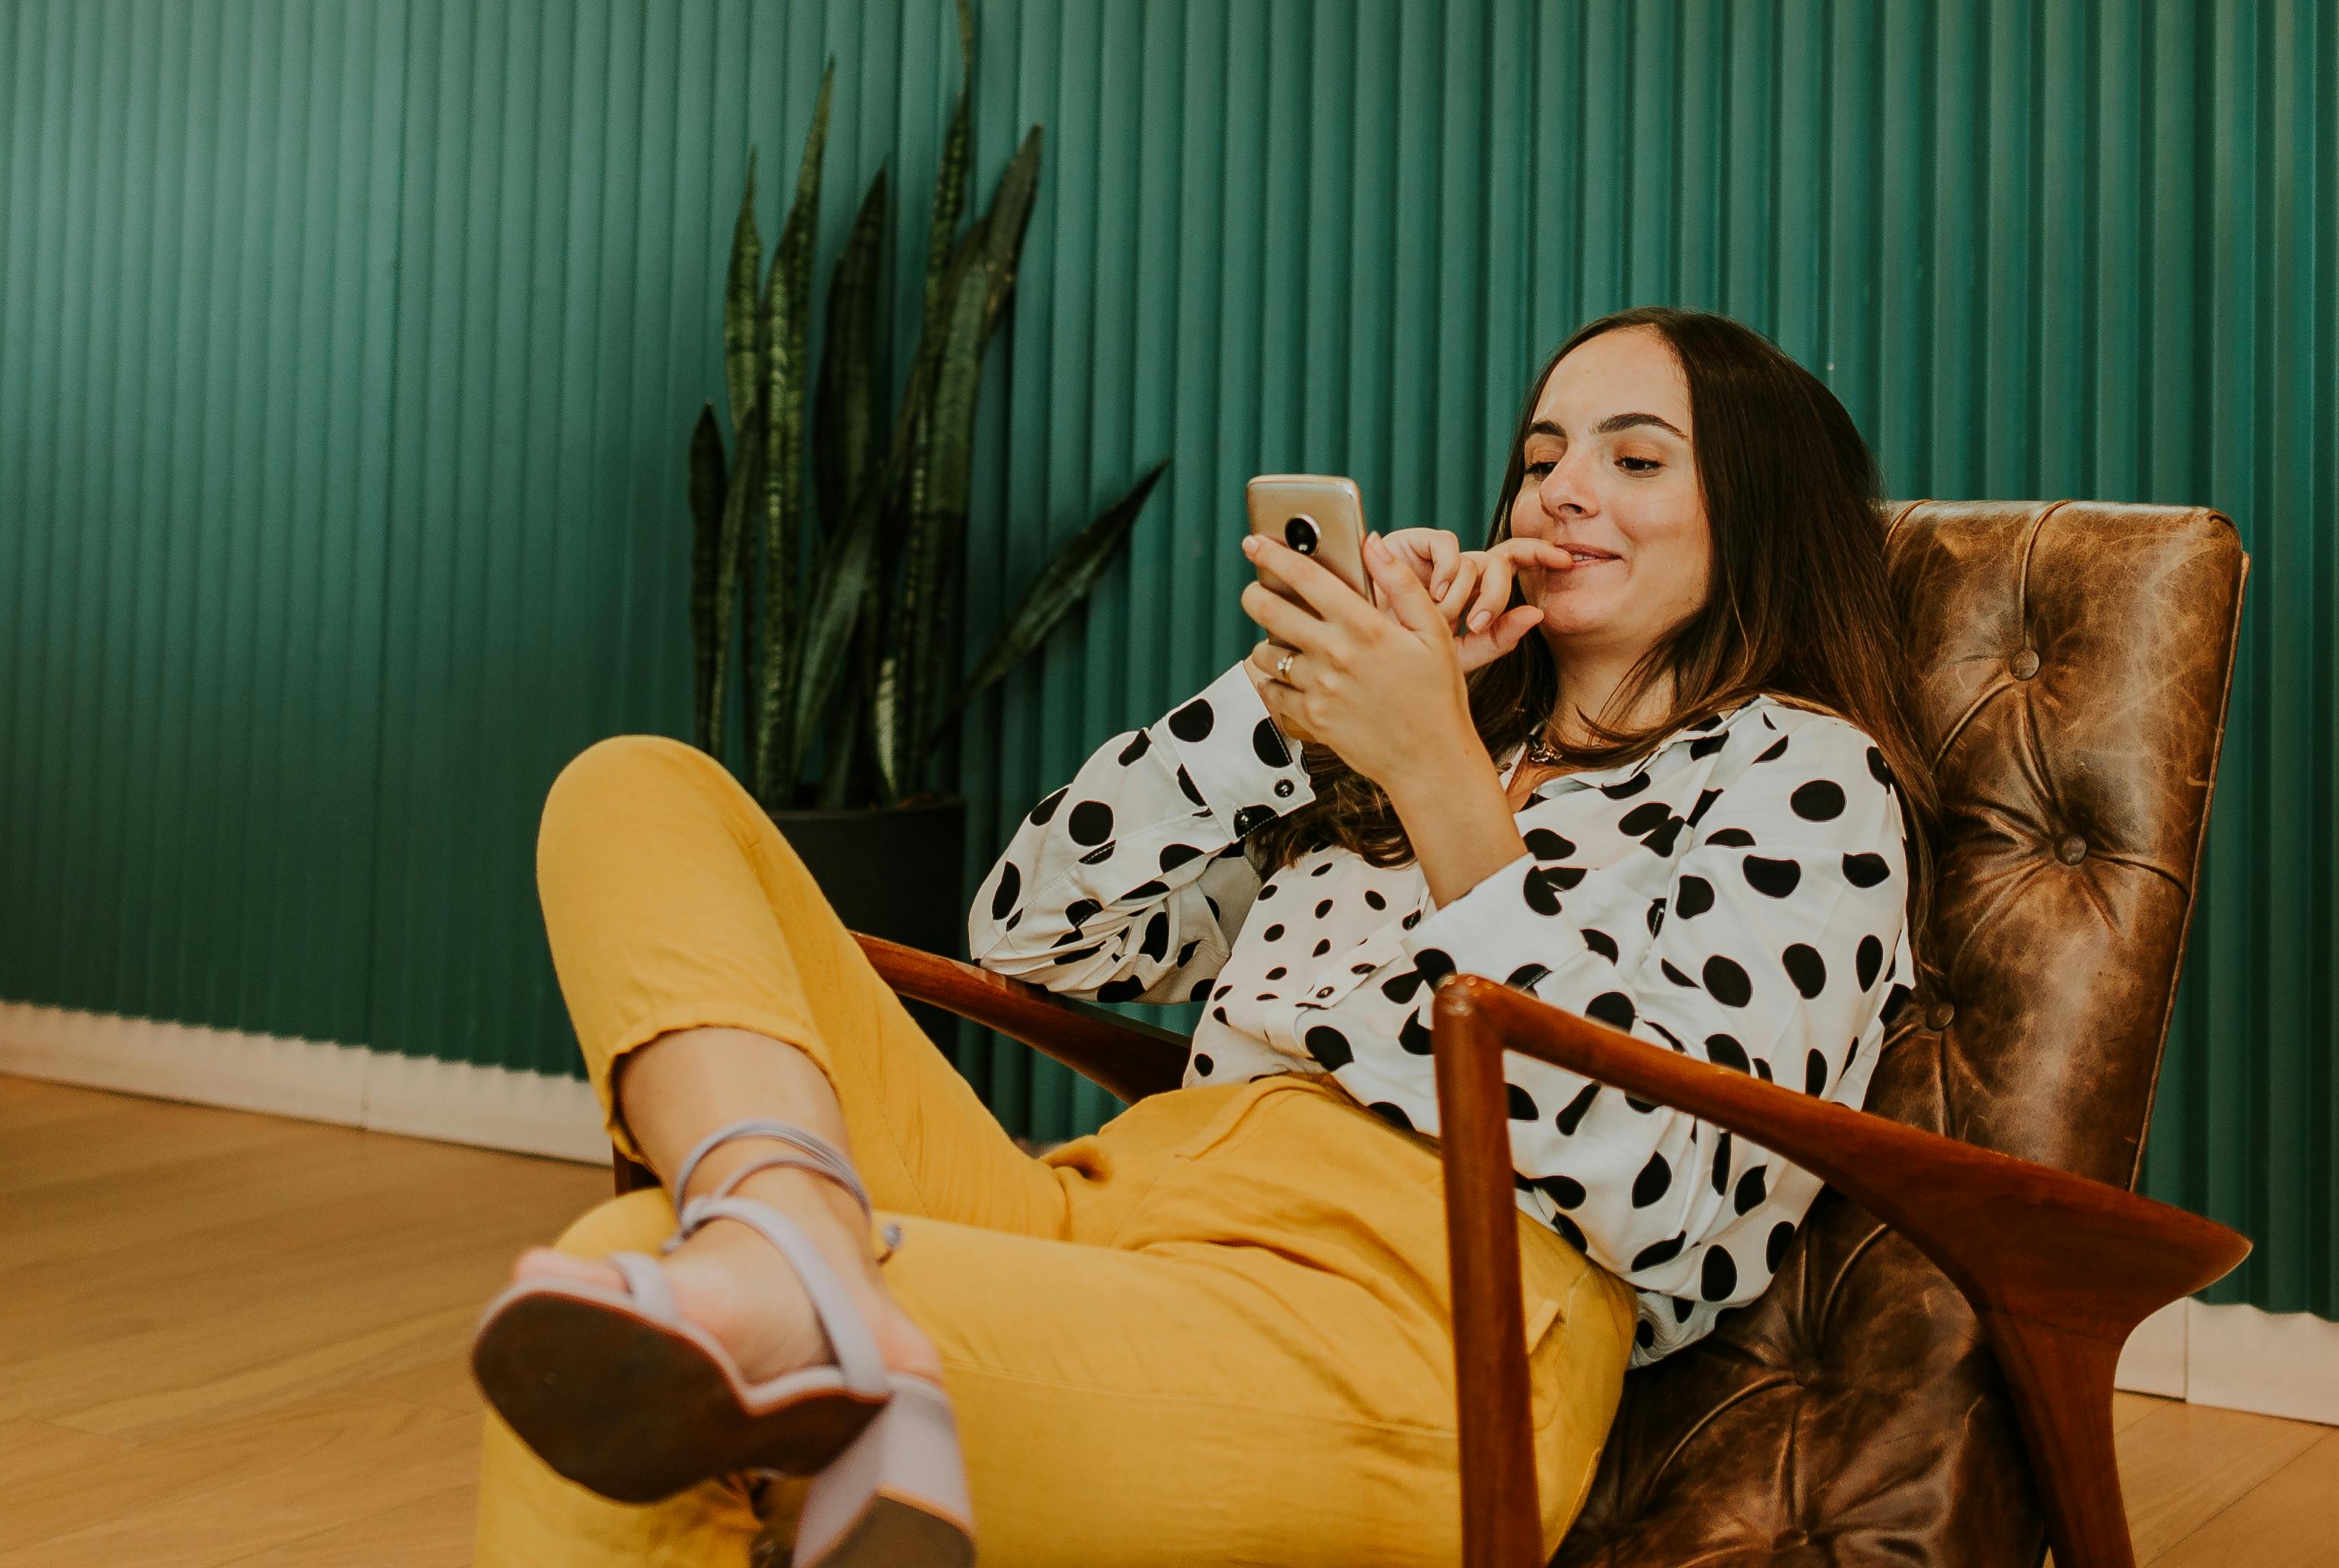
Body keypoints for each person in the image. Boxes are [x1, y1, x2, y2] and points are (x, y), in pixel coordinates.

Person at [470, 307, 1934, 1568]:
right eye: (1542, 456)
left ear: (1755, 510)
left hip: (1419, 1327)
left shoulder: (1801, 777)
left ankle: (793, 1281)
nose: (1558, 492)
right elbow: (1036, 930)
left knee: (624, 1263)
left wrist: (1430, 770)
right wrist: (1283, 700)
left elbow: (1665, 1177)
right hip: (1119, 1211)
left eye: (1633, 457)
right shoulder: (1417, 737)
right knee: (637, 790)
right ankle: (794, 1234)